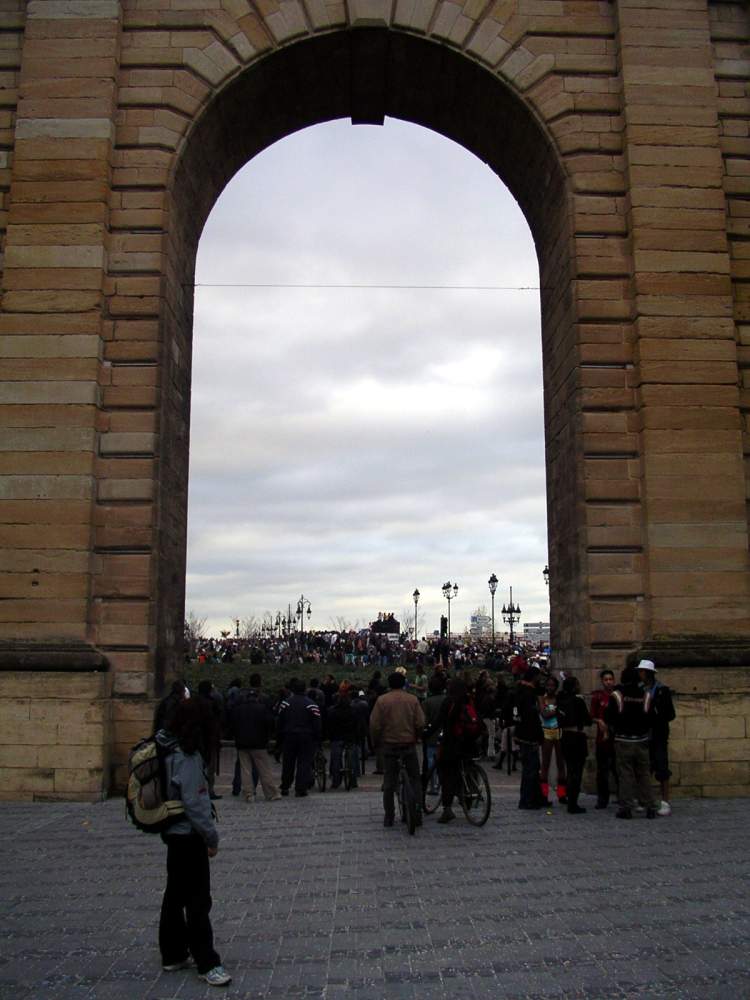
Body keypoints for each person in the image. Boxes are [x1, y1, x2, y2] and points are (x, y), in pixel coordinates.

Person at [156, 699, 231, 987]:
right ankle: (207, 961)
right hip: (189, 834)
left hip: (172, 830)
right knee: (198, 900)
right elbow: (196, 803)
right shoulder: (187, 755)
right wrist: (211, 837)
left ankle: (173, 953)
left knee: (174, 894)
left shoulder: (166, 745)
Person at [369, 671, 425, 827]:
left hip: (389, 745)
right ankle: (417, 813)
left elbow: (374, 725)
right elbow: (420, 722)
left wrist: (376, 742)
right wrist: (417, 736)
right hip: (408, 744)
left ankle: (389, 815)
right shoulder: (412, 699)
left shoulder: (382, 700)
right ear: (404, 684)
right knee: (415, 779)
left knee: (389, 781)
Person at [605, 664, 657, 819]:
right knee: (644, 774)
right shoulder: (645, 695)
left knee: (625, 774)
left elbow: (609, 717)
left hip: (623, 739)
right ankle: (649, 806)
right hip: (641, 739)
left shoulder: (617, 695)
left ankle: (626, 807)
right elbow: (651, 717)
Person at [424, 678, 475, 823]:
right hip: (469, 743)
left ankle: (447, 809)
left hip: (452, 743)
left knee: (446, 774)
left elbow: (439, 721)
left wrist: (426, 734)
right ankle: (467, 794)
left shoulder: (449, 701)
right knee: (465, 768)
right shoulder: (469, 700)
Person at [229, 684, 281, 802]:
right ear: (257, 698)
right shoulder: (262, 708)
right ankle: (271, 793)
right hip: (259, 743)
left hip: (242, 743)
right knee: (264, 769)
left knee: (245, 770)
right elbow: (270, 723)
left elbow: (232, 725)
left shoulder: (238, 709)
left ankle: (249, 794)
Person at [638, 659, 675, 817]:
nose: (639, 674)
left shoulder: (662, 690)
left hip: (658, 734)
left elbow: (670, 714)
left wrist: (656, 713)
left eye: (641, 671)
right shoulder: (639, 689)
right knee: (645, 768)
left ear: (648, 673)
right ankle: (644, 800)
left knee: (661, 766)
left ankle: (665, 801)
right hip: (645, 733)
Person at [506, 667, 544, 809]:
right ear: (534, 677)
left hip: (522, 733)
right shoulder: (529, 694)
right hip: (529, 735)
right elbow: (531, 716)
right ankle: (527, 800)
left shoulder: (520, 691)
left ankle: (533, 798)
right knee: (531, 769)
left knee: (530, 768)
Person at [277, 679, 322, 797]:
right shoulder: (312, 704)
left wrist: (279, 738)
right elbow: (317, 723)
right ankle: (300, 788)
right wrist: (317, 738)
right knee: (304, 762)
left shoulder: (285, 703)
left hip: (289, 735)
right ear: (305, 689)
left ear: (292, 689)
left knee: (288, 762)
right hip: (307, 736)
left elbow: (280, 721)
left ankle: (285, 786)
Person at [557, 676, 591, 814]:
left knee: (570, 769)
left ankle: (569, 798)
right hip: (577, 737)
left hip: (565, 737)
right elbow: (587, 720)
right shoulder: (578, 701)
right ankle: (573, 803)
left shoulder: (560, 701)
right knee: (576, 771)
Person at [590, 668, 618, 809]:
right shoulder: (598, 697)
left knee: (617, 769)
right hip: (602, 738)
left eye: (610, 679)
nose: (608, 682)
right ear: (602, 681)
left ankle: (621, 796)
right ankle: (602, 799)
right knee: (602, 770)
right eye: (606, 680)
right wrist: (599, 721)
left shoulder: (617, 696)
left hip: (616, 738)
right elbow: (592, 716)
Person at [538, 675, 567, 805]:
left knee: (561, 763)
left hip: (558, 731)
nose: (550, 688)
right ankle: (544, 795)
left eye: (553, 685)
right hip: (547, 731)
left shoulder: (559, 698)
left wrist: (553, 711)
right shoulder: (542, 698)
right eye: (548, 685)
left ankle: (562, 794)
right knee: (545, 764)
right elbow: (544, 714)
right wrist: (556, 710)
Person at [327, 687, 360, 788]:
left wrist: (329, 736)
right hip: (350, 737)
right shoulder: (353, 710)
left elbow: (329, 726)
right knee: (352, 759)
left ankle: (336, 781)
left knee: (336, 759)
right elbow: (357, 725)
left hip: (337, 737)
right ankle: (353, 780)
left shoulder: (332, 711)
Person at [196, 681, 222, 801]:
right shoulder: (213, 703)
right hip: (210, 739)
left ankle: (197, 790)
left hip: (196, 739)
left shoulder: (193, 702)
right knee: (210, 767)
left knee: (197, 766)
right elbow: (218, 720)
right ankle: (209, 790)